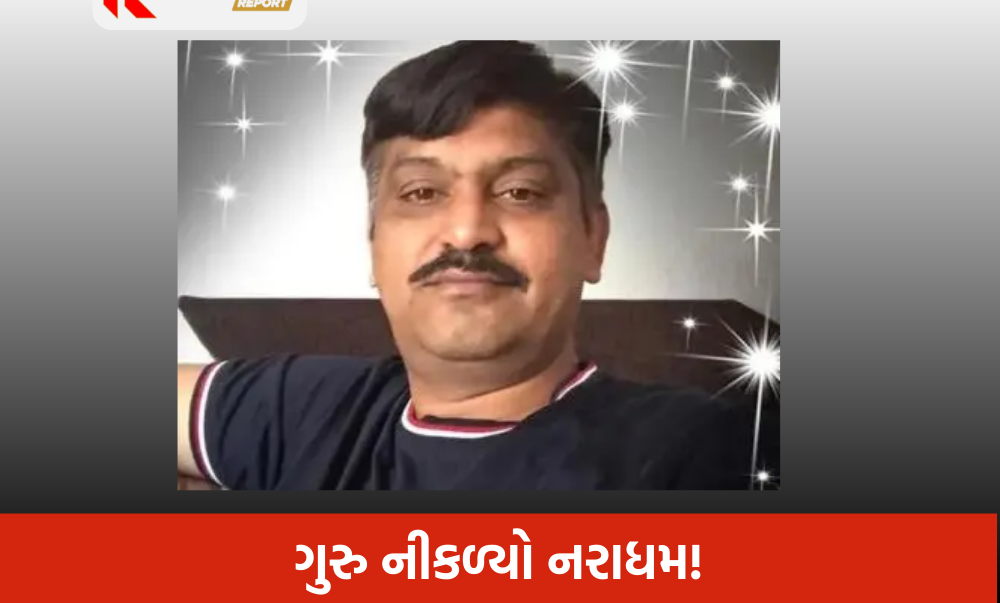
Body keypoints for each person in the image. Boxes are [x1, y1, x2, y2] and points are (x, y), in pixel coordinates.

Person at [177, 40, 778, 490]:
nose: (467, 230)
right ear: (373, 242)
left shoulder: (700, 455)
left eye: (520, 192)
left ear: (592, 238)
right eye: (420, 193)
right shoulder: (302, 409)